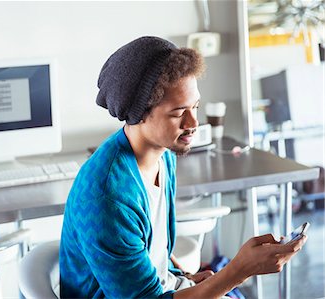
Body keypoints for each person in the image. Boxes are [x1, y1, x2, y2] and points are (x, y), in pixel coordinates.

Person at [59, 36, 307, 299]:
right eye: (178, 113)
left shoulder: (163, 154)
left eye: (195, 107)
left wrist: (184, 279)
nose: (193, 123)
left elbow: (152, 252)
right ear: (140, 113)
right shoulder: (109, 196)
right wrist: (238, 271)